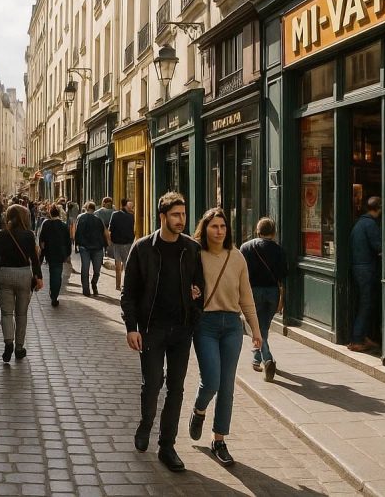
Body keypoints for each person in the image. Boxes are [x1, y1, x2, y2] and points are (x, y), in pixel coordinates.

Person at [120, 192, 204, 472]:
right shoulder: (143, 248)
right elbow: (128, 293)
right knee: (152, 382)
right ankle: (146, 423)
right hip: (152, 329)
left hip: (181, 329)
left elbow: (200, 286)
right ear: (163, 217)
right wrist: (132, 328)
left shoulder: (191, 248)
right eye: (176, 215)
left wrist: (196, 298)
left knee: (176, 389)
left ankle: (167, 446)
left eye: (183, 215)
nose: (181, 220)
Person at [188, 207, 262, 467]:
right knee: (211, 381)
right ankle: (199, 410)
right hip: (205, 324)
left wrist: (256, 329)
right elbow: (182, 284)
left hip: (232, 325)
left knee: (227, 386)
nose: (219, 231)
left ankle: (219, 439)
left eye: (223, 227)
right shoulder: (195, 254)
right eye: (214, 226)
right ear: (204, 229)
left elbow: (246, 296)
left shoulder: (238, 257)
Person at [0, 204, 42, 363]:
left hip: (5, 274)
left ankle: (8, 343)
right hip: (24, 275)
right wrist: (38, 277)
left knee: (6, 313)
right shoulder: (29, 235)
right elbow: (34, 259)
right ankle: (19, 348)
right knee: (21, 314)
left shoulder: (0, 235)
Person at [240, 217, 287, 382]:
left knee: (257, 329)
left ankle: (266, 359)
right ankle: (257, 358)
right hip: (273, 292)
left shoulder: (245, 248)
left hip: (252, 292)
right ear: (273, 233)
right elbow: (283, 274)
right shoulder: (279, 250)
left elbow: (241, 273)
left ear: (257, 231)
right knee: (263, 327)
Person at [349, 197, 382, 352]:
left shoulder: (360, 223)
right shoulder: (370, 224)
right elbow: (379, 247)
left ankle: (363, 336)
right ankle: (357, 339)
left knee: (364, 302)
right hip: (367, 269)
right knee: (366, 303)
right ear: (379, 209)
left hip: (358, 267)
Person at [39, 205, 71, 306]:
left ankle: (53, 293)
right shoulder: (64, 225)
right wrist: (68, 254)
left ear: (50, 213)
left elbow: (41, 240)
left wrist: (42, 253)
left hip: (49, 253)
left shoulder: (46, 224)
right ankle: (54, 295)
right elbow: (68, 241)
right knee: (57, 274)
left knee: (53, 273)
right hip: (60, 254)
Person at [74, 201, 108, 296]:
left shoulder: (81, 218)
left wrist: (77, 244)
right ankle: (93, 284)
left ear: (86, 208)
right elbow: (103, 233)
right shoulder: (98, 220)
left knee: (85, 268)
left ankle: (86, 290)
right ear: (94, 209)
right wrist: (104, 246)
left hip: (85, 247)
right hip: (97, 248)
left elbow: (78, 232)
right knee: (97, 270)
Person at [109, 198, 136, 291]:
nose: (132, 207)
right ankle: (126, 285)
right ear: (125, 205)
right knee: (126, 265)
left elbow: (111, 228)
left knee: (118, 265)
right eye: (130, 206)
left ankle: (118, 285)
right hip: (128, 243)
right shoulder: (131, 216)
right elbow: (133, 229)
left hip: (117, 243)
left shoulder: (115, 214)